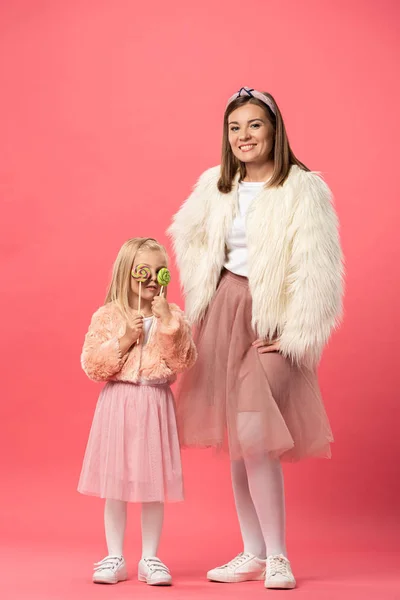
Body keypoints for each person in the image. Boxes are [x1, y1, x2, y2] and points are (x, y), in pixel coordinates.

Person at [168, 87, 343, 590]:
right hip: (226, 312)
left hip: (271, 321)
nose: (244, 136)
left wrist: (294, 332)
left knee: (254, 435)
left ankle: (278, 557)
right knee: (243, 440)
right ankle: (253, 551)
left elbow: (318, 270)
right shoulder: (215, 186)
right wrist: (200, 292)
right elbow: (195, 239)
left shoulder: (302, 188)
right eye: (234, 127)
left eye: (254, 125)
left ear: (274, 130)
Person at [78, 237, 196, 586]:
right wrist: (124, 339)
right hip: (118, 404)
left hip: (155, 404)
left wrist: (167, 326)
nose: (150, 280)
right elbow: (92, 365)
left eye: (160, 273)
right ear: (125, 274)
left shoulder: (173, 316)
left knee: (152, 484)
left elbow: (183, 360)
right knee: (115, 482)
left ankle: (150, 557)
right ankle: (114, 555)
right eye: (141, 272)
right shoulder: (108, 316)